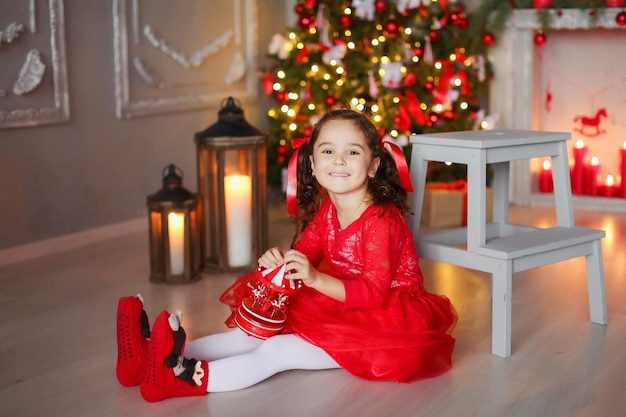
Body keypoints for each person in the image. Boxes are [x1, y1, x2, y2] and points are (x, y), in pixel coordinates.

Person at [116, 109, 458, 402]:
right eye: (328, 151)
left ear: (373, 165)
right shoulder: (328, 209)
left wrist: (313, 277)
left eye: (353, 153)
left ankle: (183, 379)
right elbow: (304, 252)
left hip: (385, 320)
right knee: (252, 333)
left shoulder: (380, 219)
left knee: (276, 351)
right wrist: (280, 259)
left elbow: (371, 294)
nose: (338, 160)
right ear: (313, 162)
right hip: (338, 297)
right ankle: (150, 359)